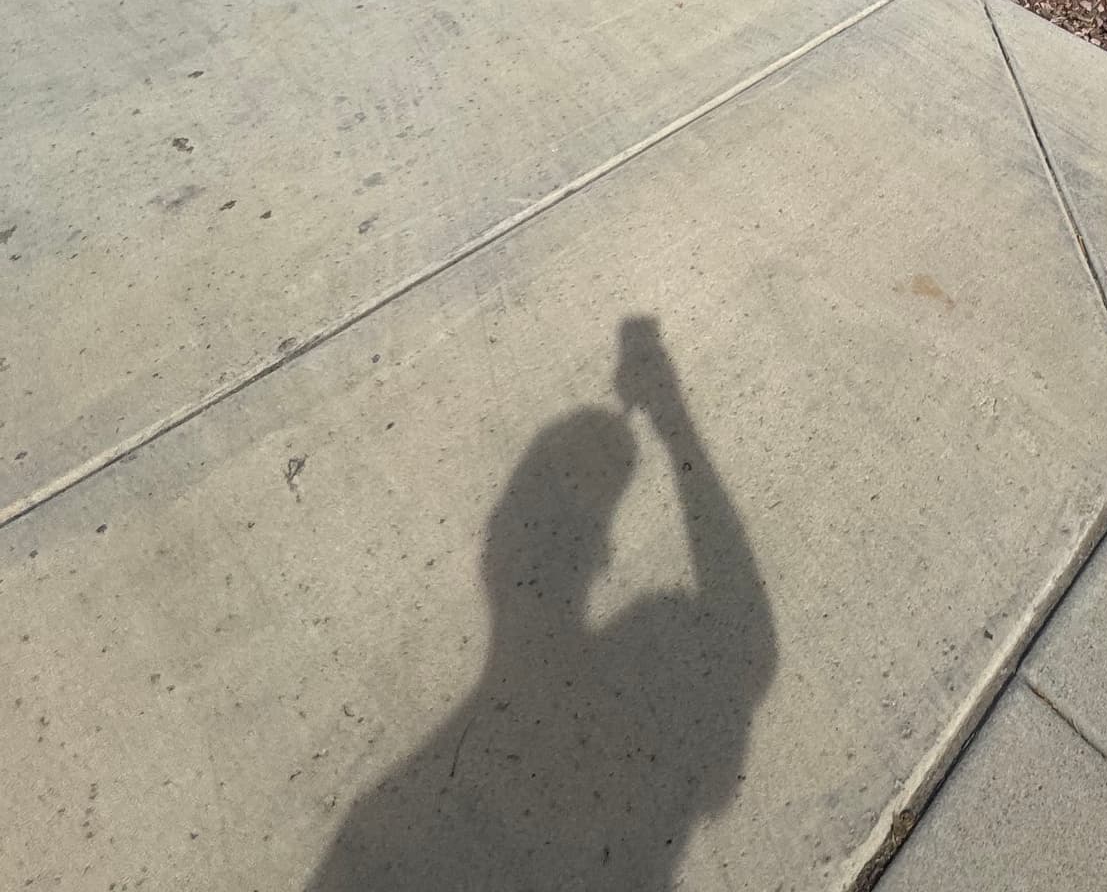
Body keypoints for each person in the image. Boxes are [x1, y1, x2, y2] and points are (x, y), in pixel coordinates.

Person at [310, 318, 775, 890]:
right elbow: (744, 640)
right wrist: (674, 425)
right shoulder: (630, 727)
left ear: (493, 551)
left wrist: (674, 424)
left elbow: (744, 641)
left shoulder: (382, 828)